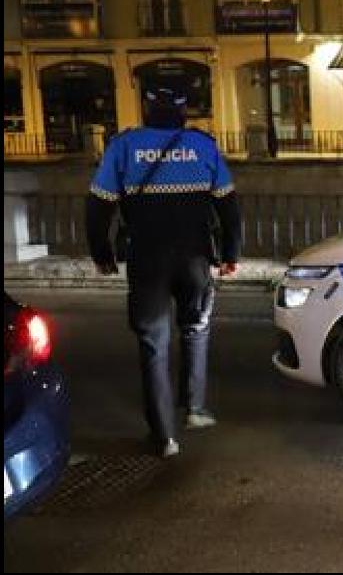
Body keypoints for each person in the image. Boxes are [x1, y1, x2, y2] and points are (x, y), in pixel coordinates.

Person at [85, 86, 242, 458]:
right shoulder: (203, 146)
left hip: (147, 261)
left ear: (146, 109)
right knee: (196, 330)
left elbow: (97, 208)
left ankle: (164, 436)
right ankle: (196, 409)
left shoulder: (123, 146)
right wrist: (231, 254)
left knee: (154, 344)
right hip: (195, 259)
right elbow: (229, 208)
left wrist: (102, 253)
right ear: (183, 112)